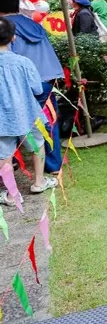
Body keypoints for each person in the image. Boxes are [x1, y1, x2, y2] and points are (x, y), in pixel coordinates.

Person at [0, 0, 63, 175]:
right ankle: (52, 165)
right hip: (48, 79)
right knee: (47, 121)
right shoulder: (33, 23)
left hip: (20, 86)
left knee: (12, 123)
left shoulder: (4, 27)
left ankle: (10, 164)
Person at [0, 17, 58, 206]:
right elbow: (38, 89)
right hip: (28, 116)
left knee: (4, 154)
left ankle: (12, 194)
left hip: (3, 122)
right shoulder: (24, 62)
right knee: (36, 145)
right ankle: (39, 181)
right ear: (13, 38)